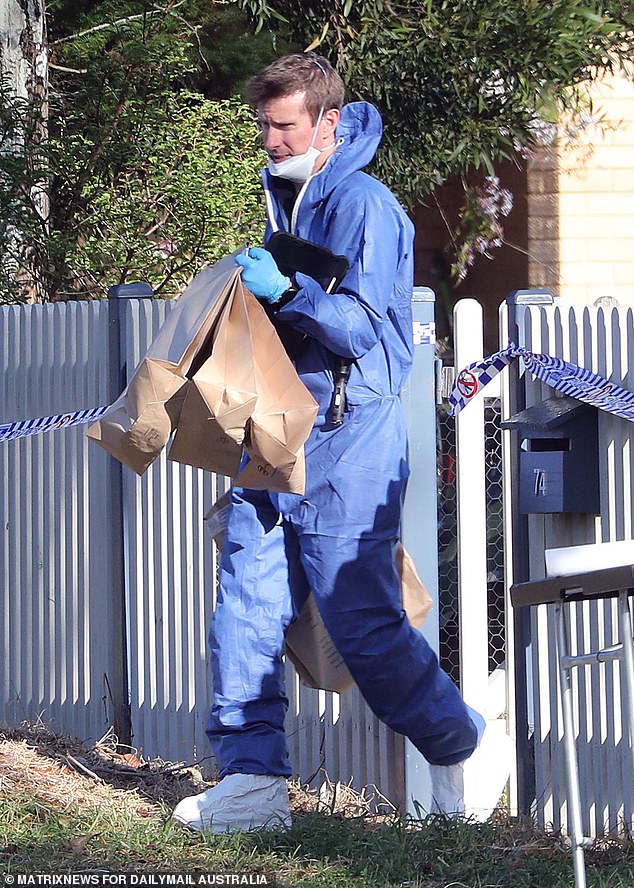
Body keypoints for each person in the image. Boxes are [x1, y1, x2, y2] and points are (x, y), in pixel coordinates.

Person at [172, 53, 485, 834]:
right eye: (264, 125)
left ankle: (461, 747)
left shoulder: (367, 207)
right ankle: (250, 784)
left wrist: (292, 291)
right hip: (278, 431)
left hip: (351, 444)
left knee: (365, 629)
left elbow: (366, 331)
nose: (270, 140)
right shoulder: (286, 196)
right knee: (244, 604)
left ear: (328, 122)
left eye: (284, 126)